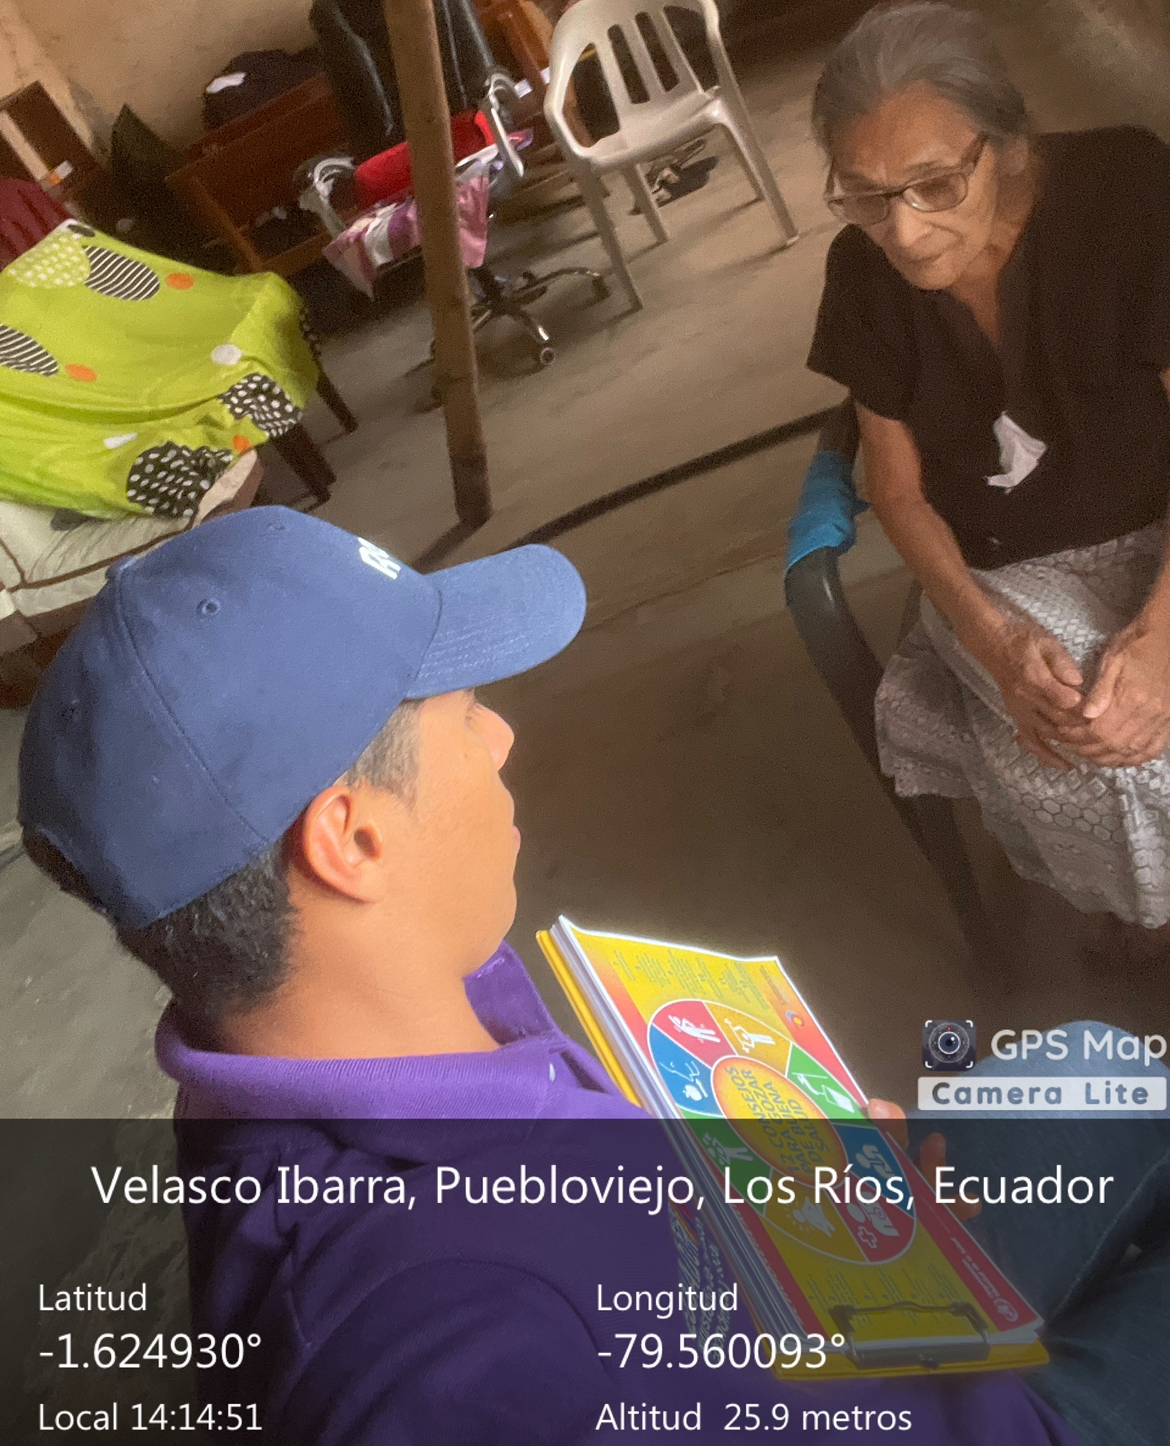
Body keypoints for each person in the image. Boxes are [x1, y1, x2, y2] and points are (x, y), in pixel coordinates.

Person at [17, 508, 1170, 1443]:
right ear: (355, 838)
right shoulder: (448, 1353)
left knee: (1101, 1066)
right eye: (463, 713)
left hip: (825, 1305)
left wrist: (804, 1226)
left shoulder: (321, 1029)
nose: (502, 738)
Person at [807, 0, 1170, 956]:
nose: (904, 231)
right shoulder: (863, 276)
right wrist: (994, 638)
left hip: (1160, 522)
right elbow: (899, 492)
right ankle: (1145, 923)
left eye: (935, 184)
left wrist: (1162, 634)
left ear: (1005, 145)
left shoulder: (1127, 191)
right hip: (1006, 569)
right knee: (1096, 743)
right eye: (865, 196)